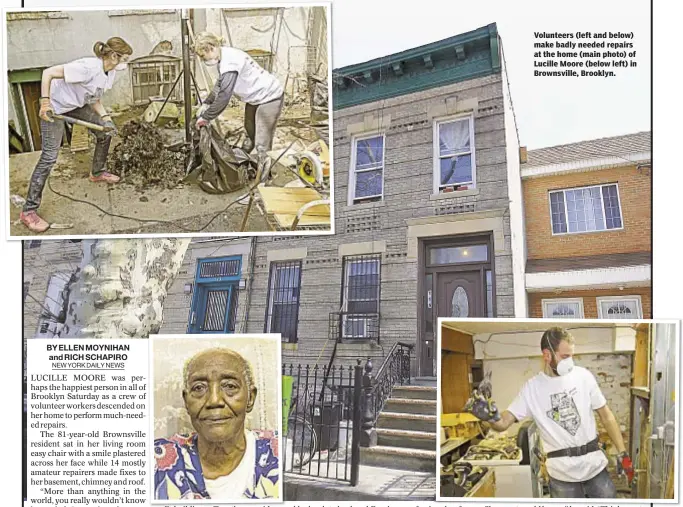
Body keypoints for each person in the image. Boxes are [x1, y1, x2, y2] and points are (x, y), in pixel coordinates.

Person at [467, 327, 634, 498]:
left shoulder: (583, 377)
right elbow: (502, 424)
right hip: (562, 478)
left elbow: (606, 416)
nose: (570, 362)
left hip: (596, 470)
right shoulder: (532, 389)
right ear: (547, 355)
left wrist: (622, 453)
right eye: (564, 357)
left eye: (572, 356)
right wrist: (490, 417)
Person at [19, 37, 133, 233]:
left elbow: (93, 98)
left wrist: (105, 118)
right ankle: (28, 211)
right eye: (126, 59)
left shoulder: (110, 72)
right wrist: (45, 103)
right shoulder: (87, 68)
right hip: (54, 107)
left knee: (105, 133)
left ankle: (97, 172)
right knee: (49, 158)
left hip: (75, 106)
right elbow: (47, 73)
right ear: (114, 56)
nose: (126, 63)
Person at [154, 348, 279, 501]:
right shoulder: (157, 459)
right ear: (187, 402)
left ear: (250, 398)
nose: (214, 400)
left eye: (230, 386)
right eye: (199, 388)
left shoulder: (277, 452)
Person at [192, 32, 284, 183]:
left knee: (262, 144)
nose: (203, 60)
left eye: (203, 56)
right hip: (255, 98)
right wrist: (207, 103)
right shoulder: (223, 58)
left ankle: (263, 184)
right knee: (249, 134)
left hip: (269, 97)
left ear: (212, 48)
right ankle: (239, 168)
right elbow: (219, 86)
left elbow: (224, 97)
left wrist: (206, 117)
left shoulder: (230, 61)